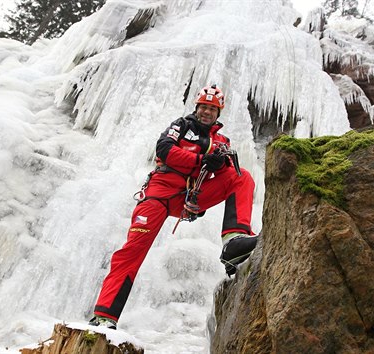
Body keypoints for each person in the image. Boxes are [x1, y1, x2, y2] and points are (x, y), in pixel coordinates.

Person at [88, 84, 259, 329]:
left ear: (218, 113)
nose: (207, 112)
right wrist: (201, 159)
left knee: (241, 176)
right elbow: (165, 150)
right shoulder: (181, 126)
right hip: (158, 196)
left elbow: (223, 173)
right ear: (196, 107)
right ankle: (104, 316)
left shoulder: (221, 141)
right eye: (203, 107)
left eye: (212, 108)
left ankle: (234, 241)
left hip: (191, 197)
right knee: (131, 253)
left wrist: (219, 163)